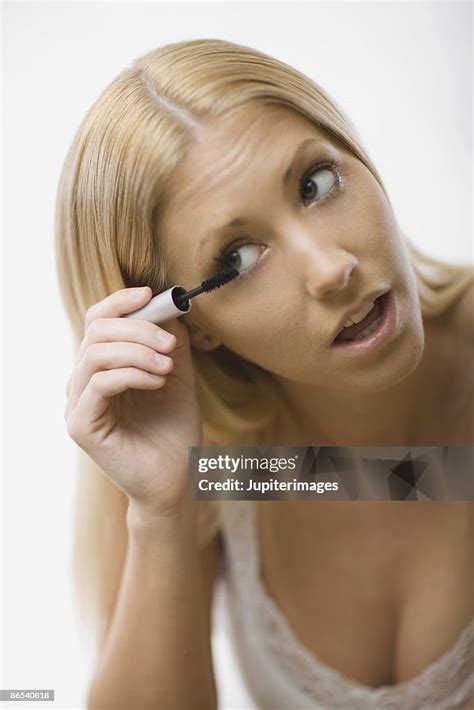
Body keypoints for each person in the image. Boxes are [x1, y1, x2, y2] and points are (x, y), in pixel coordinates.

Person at [57, 39, 474, 709]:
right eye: (240, 256)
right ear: (188, 328)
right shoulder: (227, 468)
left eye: (316, 183)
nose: (330, 267)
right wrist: (162, 512)